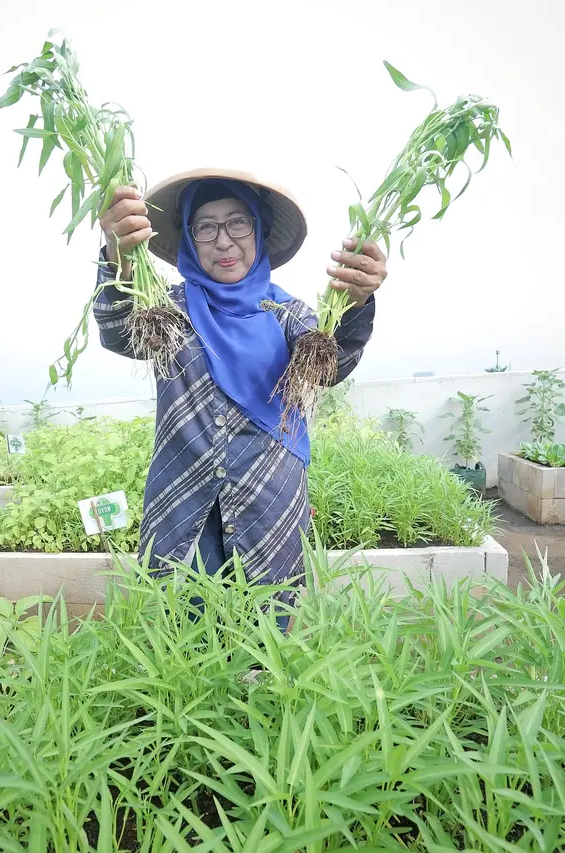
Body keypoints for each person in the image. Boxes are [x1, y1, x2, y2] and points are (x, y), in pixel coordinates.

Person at [93, 168, 387, 615]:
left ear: (259, 231)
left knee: (264, 642)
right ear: (190, 240)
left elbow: (331, 365)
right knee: (182, 639)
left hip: (269, 504)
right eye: (206, 227)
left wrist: (357, 301)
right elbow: (118, 331)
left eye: (237, 223)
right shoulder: (169, 312)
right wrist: (117, 256)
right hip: (182, 506)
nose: (224, 241)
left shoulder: (288, 314)